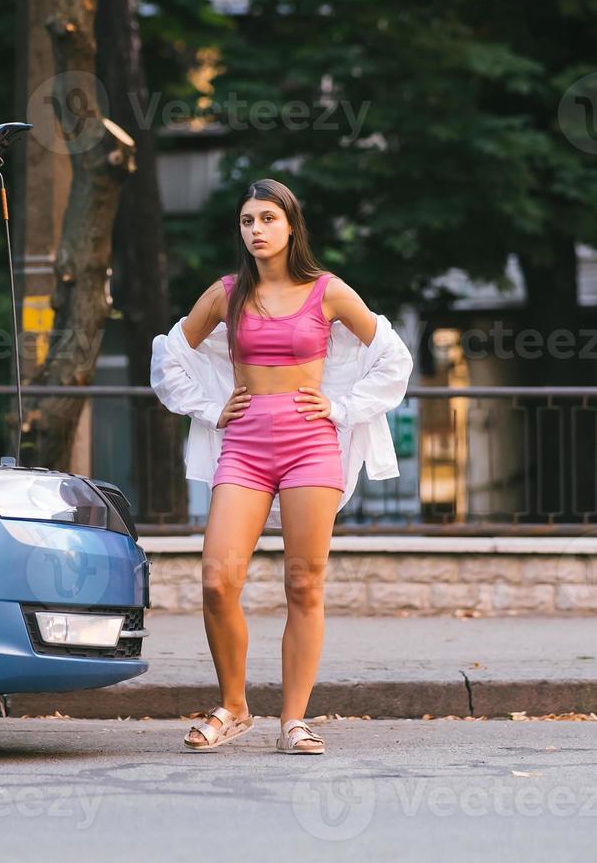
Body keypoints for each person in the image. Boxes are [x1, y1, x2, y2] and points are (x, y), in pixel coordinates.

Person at [149, 178, 413, 755]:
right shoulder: (225, 294)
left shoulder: (329, 292)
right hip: (244, 444)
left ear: (291, 226)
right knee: (218, 578)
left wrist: (342, 408)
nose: (257, 231)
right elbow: (172, 352)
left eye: (268, 219)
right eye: (247, 221)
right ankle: (234, 707)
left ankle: (294, 719)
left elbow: (392, 356)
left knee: (303, 583)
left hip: (310, 446)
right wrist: (208, 406)